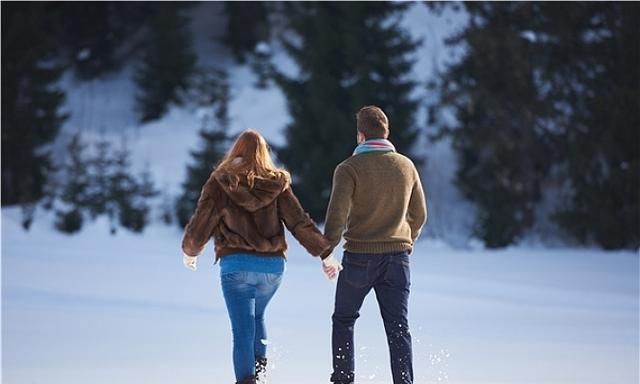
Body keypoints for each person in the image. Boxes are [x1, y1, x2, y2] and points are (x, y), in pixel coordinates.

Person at [181, 129, 340, 384]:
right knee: (256, 316)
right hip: (272, 269)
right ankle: (259, 378)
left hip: (236, 267)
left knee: (242, 330)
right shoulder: (277, 183)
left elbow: (202, 222)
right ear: (263, 153)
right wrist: (325, 253)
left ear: (235, 151)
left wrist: (190, 251)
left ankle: (248, 380)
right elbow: (298, 222)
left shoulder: (220, 181)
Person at [323, 106, 427, 384]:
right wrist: (408, 241)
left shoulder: (348, 169)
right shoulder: (406, 166)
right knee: (398, 328)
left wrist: (326, 251)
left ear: (360, 136)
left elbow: (336, 217)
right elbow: (420, 214)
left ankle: (344, 379)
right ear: (386, 132)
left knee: (344, 319)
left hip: (359, 258)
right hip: (397, 259)